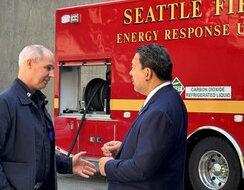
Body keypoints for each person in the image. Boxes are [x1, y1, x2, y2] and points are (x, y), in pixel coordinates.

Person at [0, 44, 96, 190]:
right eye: (48, 68)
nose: (52, 74)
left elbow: (39, 153)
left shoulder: (37, 103)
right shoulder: (5, 104)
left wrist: (67, 164)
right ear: (30, 63)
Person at [99, 43, 188, 190]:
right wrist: (125, 148)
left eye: (133, 67)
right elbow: (156, 150)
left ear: (147, 73)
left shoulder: (159, 111)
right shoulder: (168, 99)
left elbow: (141, 169)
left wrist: (107, 166)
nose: (130, 73)